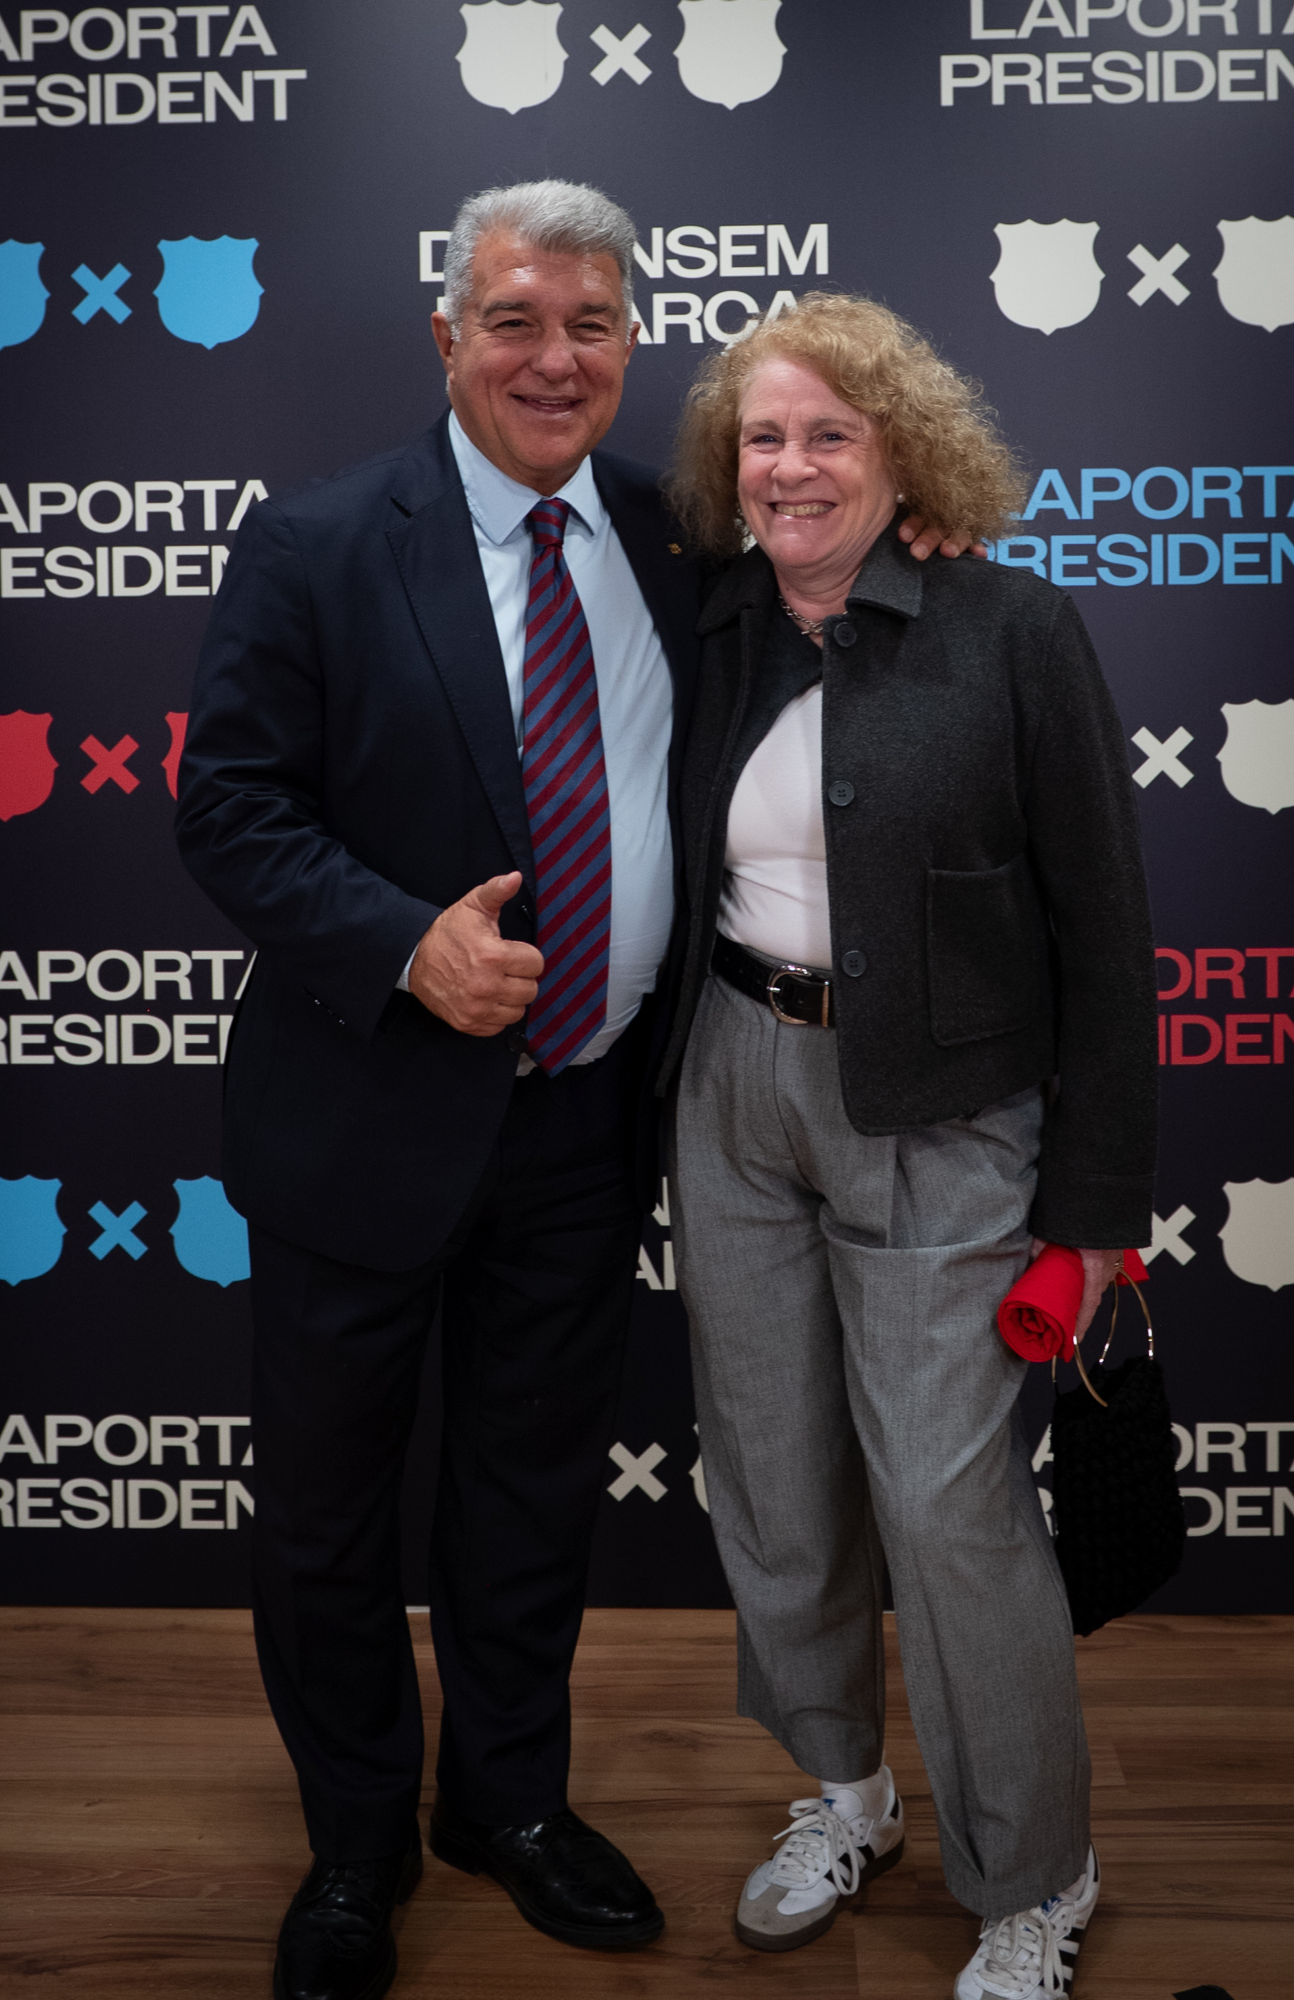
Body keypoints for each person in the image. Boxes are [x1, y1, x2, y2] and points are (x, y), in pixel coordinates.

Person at [175, 180, 981, 2000]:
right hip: (362, 1116)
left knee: (529, 1493)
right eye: (516, 321)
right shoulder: (316, 543)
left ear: (631, 345)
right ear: (447, 337)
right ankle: (357, 1845)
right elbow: (226, 807)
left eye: (592, 325)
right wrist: (402, 942)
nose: (555, 358)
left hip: (586, 1116)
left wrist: (918, 536)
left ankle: (507, 1805)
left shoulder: (679, 537)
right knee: (326, 1517)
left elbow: (839, 583)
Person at [656, 293, 1157, 2000]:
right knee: (775, 1476)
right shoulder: (710, 615)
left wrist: (1095, 1207)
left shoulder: (1009, 625)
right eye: (762, 437)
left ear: (904, 454)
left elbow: (1103, 928)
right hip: (733, 1085)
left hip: (944, 1118)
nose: (789, 467)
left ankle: (1036, 1873)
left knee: (946, 1508)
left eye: (830, 434)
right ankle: (844, 1796)